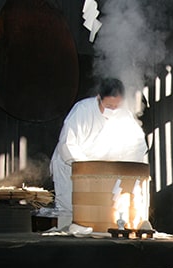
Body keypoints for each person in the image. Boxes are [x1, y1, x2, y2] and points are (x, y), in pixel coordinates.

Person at [49, 77, 148, 227]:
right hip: (72, 168)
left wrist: (125, 170)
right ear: (98, 98)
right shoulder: (82, 110)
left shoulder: (125, 115)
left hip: (102, 174)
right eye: (109, 105)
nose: (113, 110)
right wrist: (87, 170)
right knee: (73, 212)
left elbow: (138, 146)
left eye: (117, 106)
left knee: (101, 213)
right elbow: (67, 144)